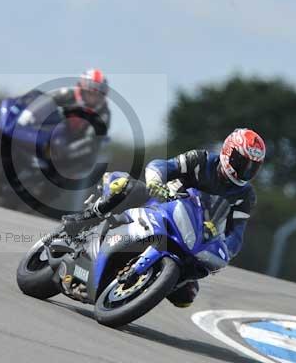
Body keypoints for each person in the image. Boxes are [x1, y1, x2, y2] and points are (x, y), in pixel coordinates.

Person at [62, 128, 266, 307]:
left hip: (194, 235)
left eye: (252, 167)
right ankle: (86, 219)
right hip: (161, 204)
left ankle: (141, 288)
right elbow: (162, 165)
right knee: (124, 187)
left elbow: (236, 234)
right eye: (242, 162)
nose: (245, 171)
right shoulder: (201, 160)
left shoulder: (245, 195)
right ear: (228, 152)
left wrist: (225, 251)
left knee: (187, 296)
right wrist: (156, 180)